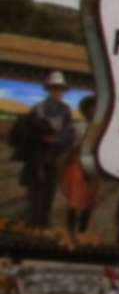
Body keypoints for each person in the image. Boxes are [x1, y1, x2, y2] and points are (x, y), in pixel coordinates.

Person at [10, 72, 80, 231]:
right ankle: (31, 227)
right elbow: (26, 133)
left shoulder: (66, 110)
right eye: (55, 89)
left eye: (60, 89)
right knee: (34, 197)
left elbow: (69, 135)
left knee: (49, 196)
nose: (58, 92)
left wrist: (55, 140)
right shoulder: (37, 109)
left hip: (54, 159)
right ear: (49, 90)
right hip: (36, 159)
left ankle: (42, 227)